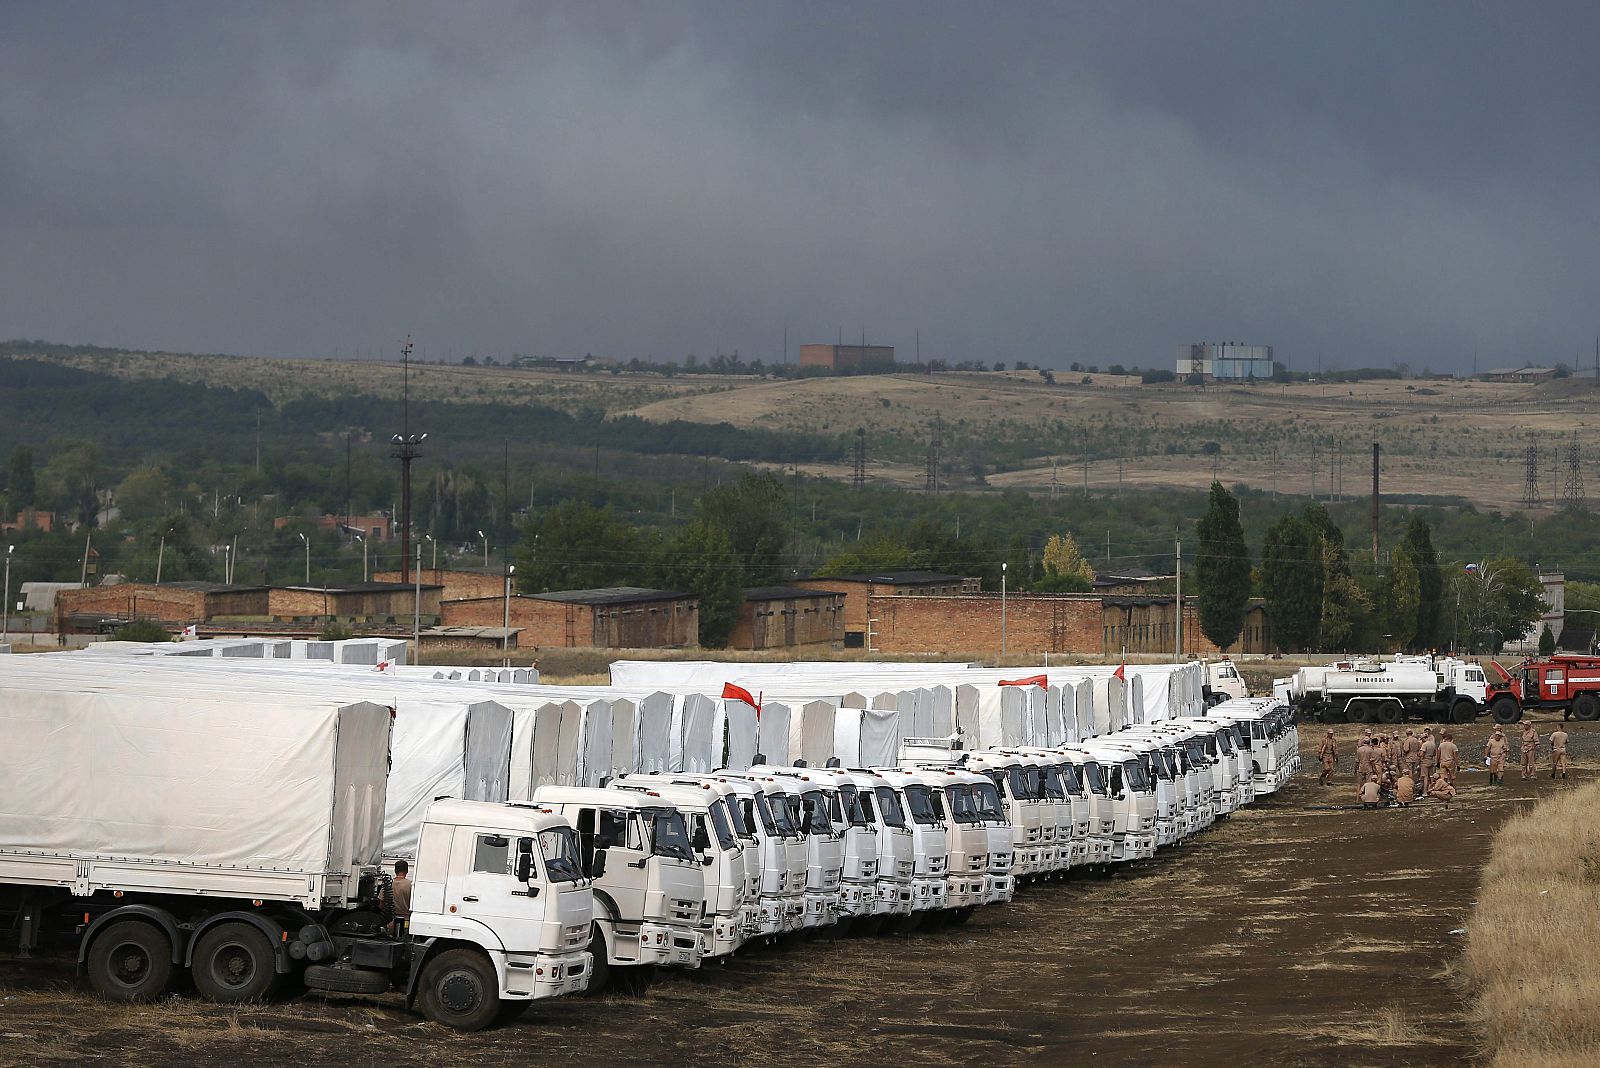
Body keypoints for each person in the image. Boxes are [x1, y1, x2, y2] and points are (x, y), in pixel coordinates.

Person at [389, 859, 412, 936]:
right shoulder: (410, 885)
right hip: (406, 920)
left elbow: (381, 903)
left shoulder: (388, 884)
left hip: (391, 921)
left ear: (395, 870)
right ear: (407, 871)